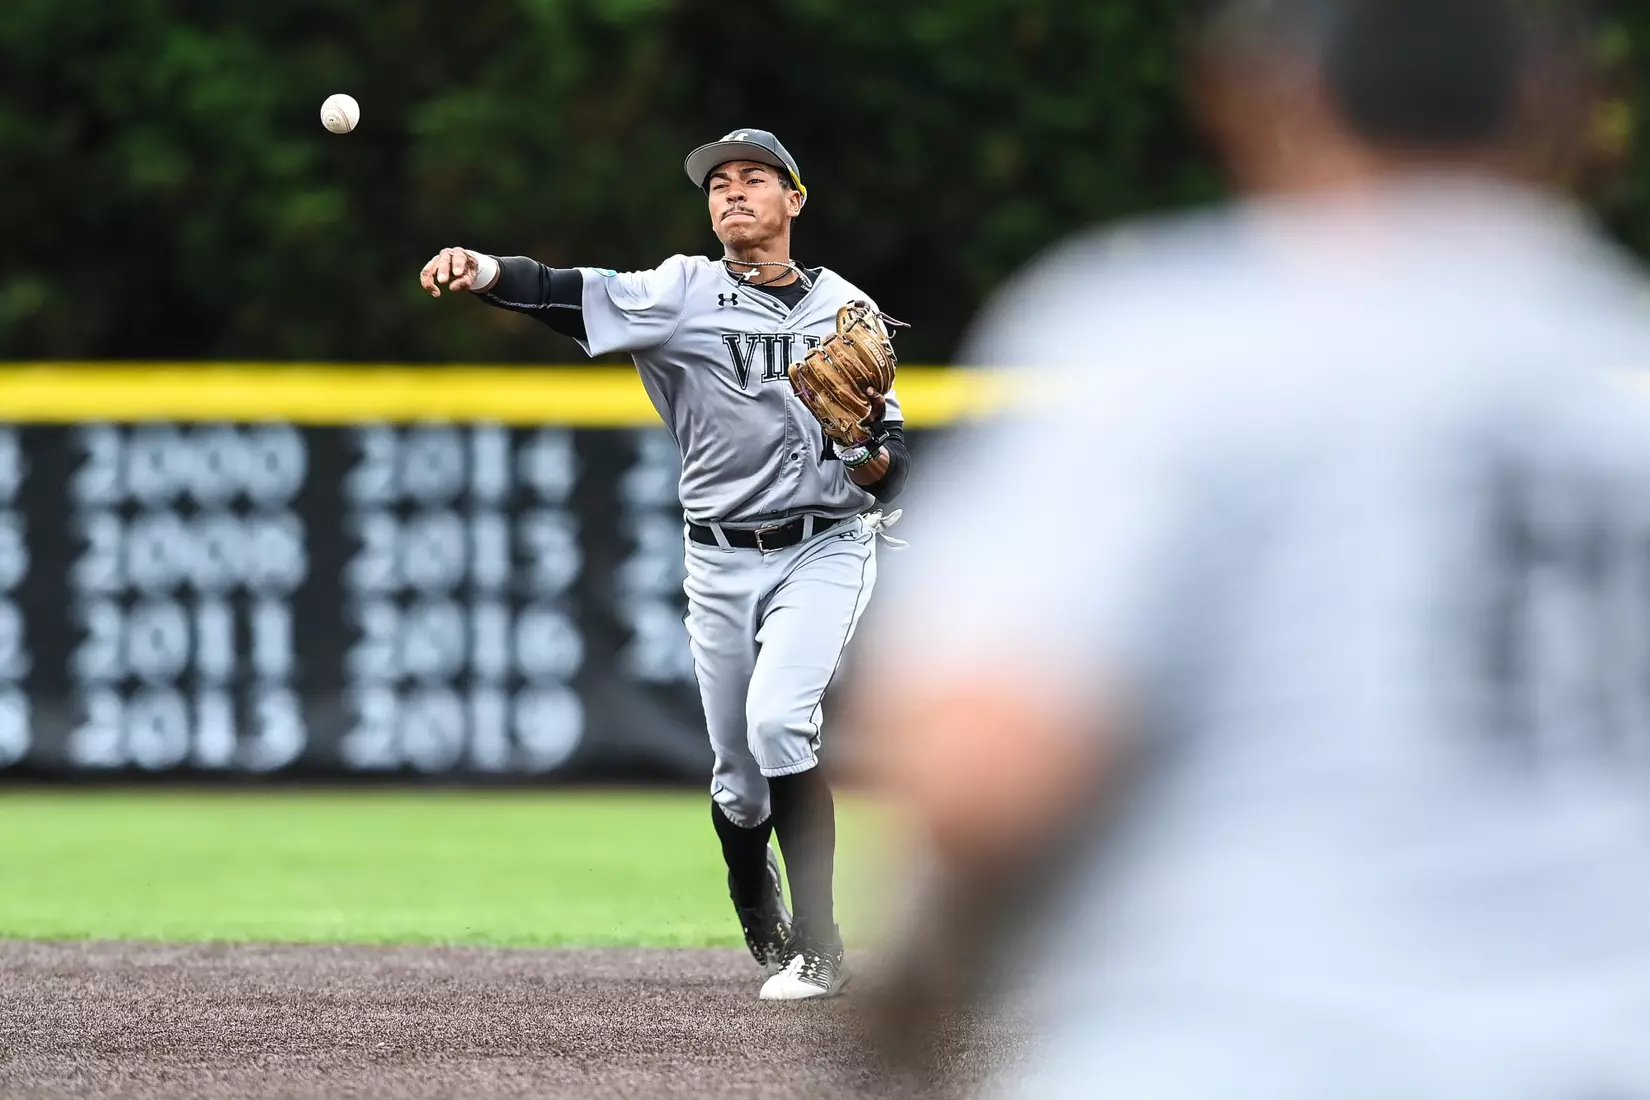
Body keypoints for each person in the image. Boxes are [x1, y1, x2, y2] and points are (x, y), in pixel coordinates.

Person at [855, 0, 1650, 1095]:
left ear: (1259, 94)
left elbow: (987, 761)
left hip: (1234, 1044)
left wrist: (931, 957)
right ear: (1565, 105)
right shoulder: (1621, 374)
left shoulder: (1179, 339)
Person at [419, 129, 909, 1001]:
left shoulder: (850, 313)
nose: (732, 192)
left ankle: (823, 947)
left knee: (779, 724)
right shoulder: (678, 292)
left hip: (826, 544)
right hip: (719, 557)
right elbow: (566, 292)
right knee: (739, 781)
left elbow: (891, 471)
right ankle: (750, 888)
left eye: (753, 178)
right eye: (718, 184)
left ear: (794, 199)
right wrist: (486, 270)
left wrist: (862, 447)